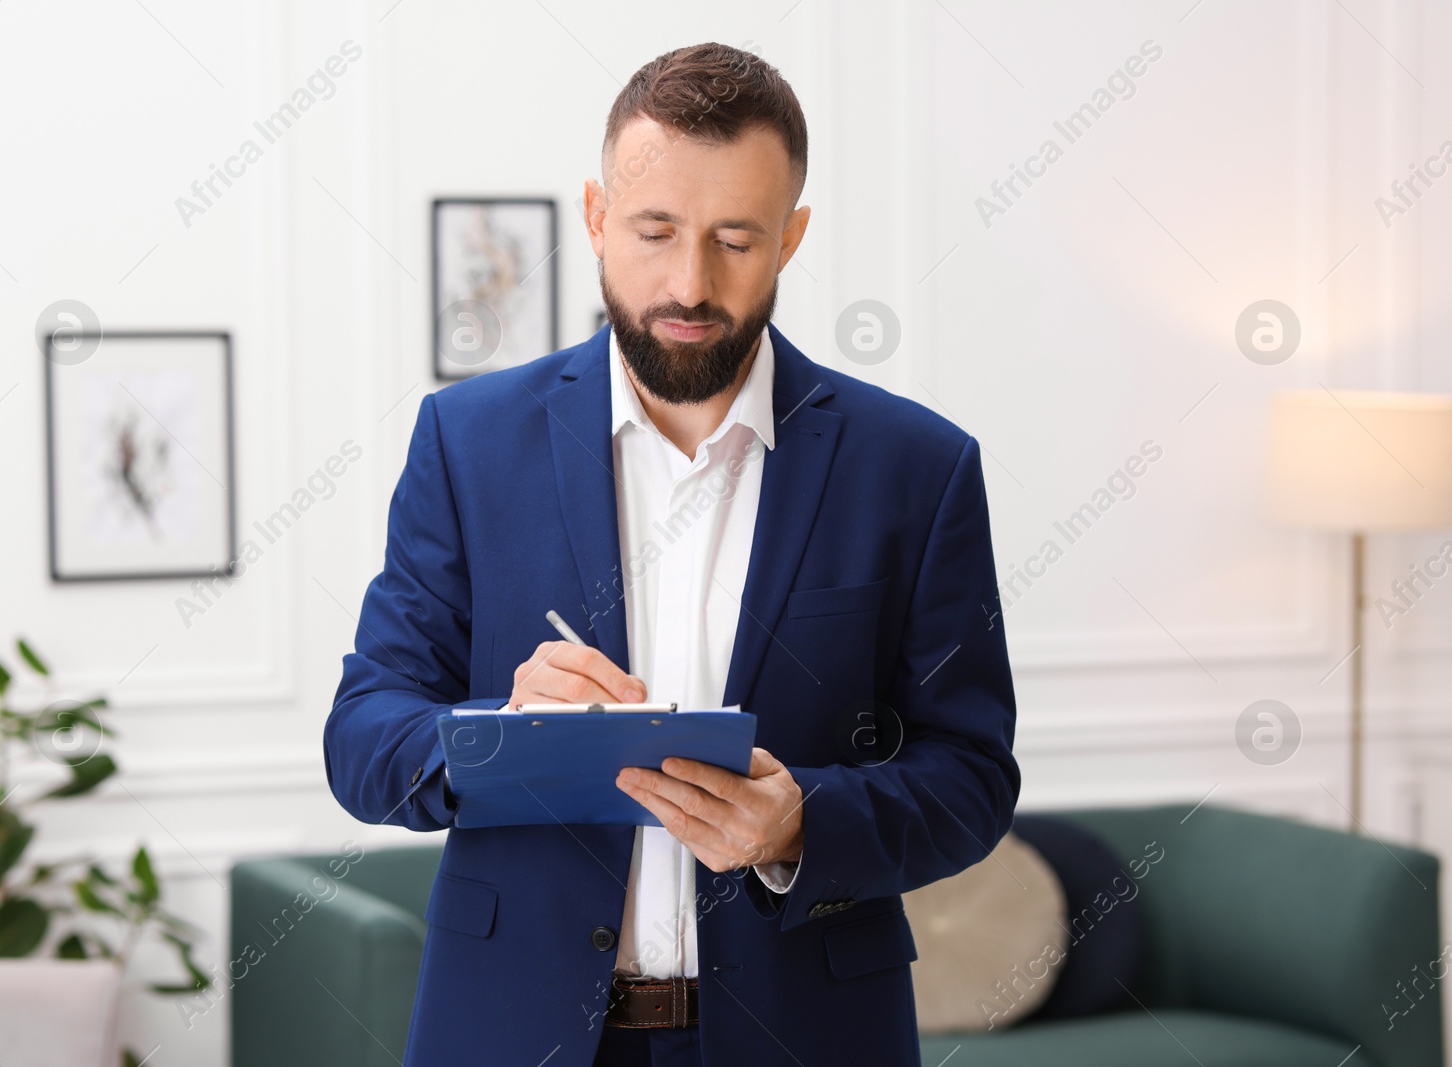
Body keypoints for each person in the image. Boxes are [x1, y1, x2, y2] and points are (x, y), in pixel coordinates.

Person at [323, 41, 1020, 1067]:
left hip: (810, 1036)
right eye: (654, 231)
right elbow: (362, 740)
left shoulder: (918, 467)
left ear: (791, 237)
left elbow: (970, 775)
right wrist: (495, 732)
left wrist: (802, 824)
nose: (689, 282)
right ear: (598, 218)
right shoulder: (466, 444)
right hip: (515, 1031)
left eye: (735, 239)